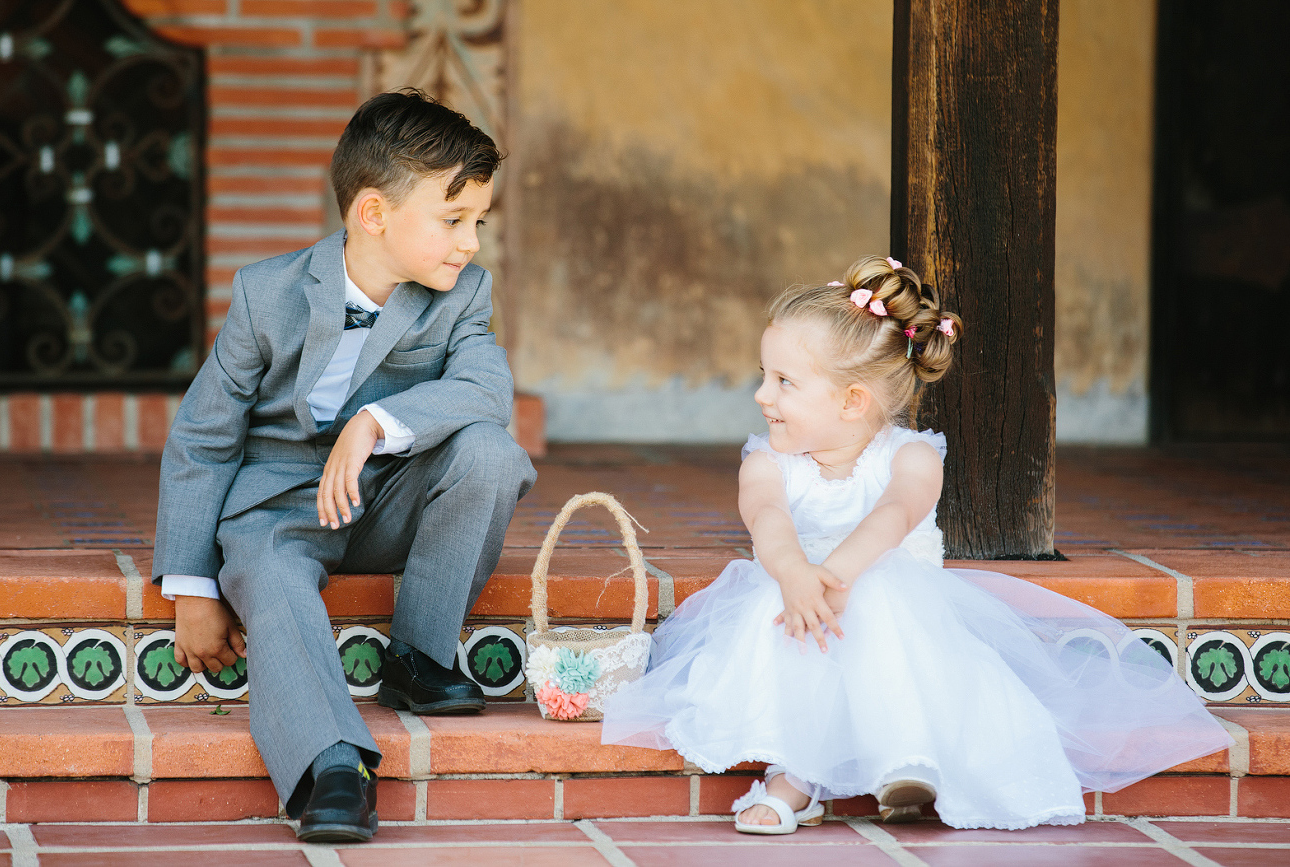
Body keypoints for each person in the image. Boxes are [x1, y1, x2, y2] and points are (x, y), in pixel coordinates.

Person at [601, 256, 1232, 833]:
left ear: (853, 402)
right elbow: (766, 520)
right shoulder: (770, 463)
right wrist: (797, 575)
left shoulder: (910, 457)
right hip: (800, 595)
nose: (763, 395)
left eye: (784, 381)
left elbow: (895, 518)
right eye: (764, 376)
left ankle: (909, 762)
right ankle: (796, 780)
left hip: (882, 600)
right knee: (796, 628)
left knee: (881, 598)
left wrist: (836, 575)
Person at [151, 89, 536, 843]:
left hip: (388, 495)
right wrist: (190, 582)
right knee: (269, 570)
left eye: (478, 223)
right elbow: (204, 436)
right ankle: (332, 763)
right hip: (278, 506)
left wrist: (374, 423)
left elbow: (486, 388)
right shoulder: (269, 294)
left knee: (491, 450)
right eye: (454, 220)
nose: (472, 245)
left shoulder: (461, 296)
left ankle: (419, 657)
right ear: (373, 214)